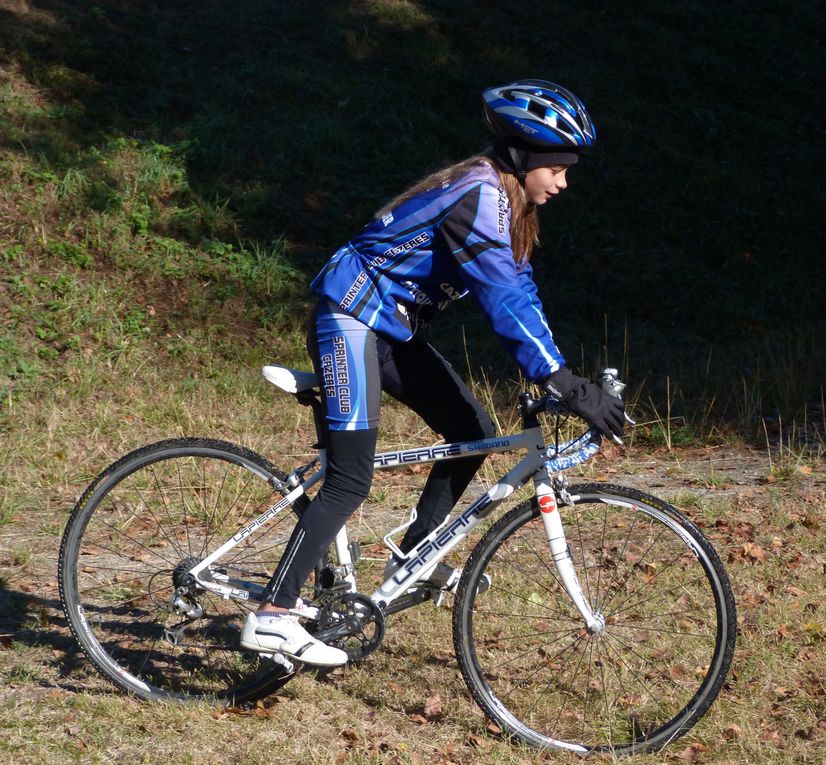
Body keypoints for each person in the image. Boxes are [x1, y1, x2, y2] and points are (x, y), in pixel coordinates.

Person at [240, 79, 626, 667]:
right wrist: (564, 383)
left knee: (470, 428)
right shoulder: (478, 196)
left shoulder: (503, 201)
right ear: (524, 156)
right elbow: (502, 297)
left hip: (386, 328)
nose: (564, 182)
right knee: (350, 479)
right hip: (349, 319)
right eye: (557, 168)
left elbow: (520, 287)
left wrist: (558, 374)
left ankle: (415, 553)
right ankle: (272, 616)